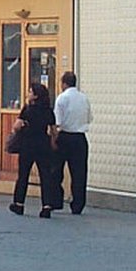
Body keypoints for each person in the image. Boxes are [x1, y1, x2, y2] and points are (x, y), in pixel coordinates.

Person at [9, 83, 58, 219]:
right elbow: (54, 131)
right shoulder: (48, 110)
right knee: (45, 176)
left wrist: (23, 125)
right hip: (43, 144)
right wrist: (53, 143)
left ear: (35, 95)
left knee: (23, 175)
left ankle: (19, 204)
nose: (28, 94)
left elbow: (16, 126)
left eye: (30, 92)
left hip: (27, 144)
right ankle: (46, 206)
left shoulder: (28, 109)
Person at [51, 71, 93, 214]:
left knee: (57, 170)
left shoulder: (62, 98)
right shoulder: (84, 98)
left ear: (64, 83)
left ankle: (56, 200)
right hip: (80, 138)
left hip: (65, 136)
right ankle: (78, 204)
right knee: (79, 172)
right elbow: (89, 118)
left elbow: (57, 122)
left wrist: (54, 139)